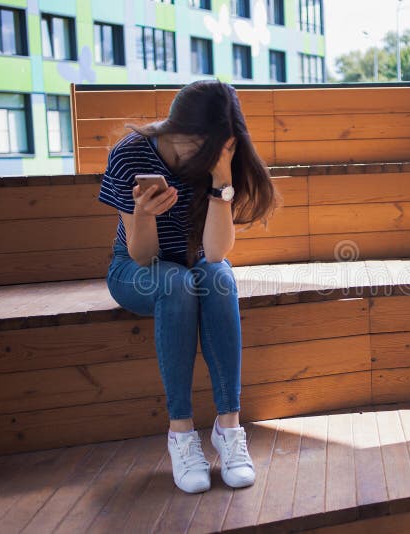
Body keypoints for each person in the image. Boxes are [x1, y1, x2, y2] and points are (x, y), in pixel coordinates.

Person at [97, 80, 280, 493]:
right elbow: (143, 257)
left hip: (195, 265)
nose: (187, 156)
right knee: (177, 282)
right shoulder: (130, 153)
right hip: (136, 270)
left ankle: (228, 428)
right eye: (187, 143)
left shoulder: (214, 160)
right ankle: (181, 433)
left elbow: (214, 254)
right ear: (173, 125)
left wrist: (220, 181)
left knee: (219, 277)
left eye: (203, 147)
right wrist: (143, 216)